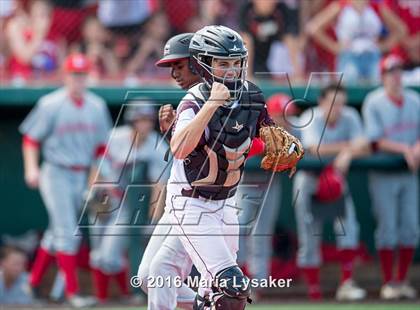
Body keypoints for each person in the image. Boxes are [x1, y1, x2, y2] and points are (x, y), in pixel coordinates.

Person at [150, 25, 300, 310]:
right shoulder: (193, 101)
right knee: (230, 288)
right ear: (204, 64)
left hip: (226, 204)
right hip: (191, 203)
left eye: (235, 63)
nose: (231, 70)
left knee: (204, 290)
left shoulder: (252, 96)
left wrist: (284, 144)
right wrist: (211, 105)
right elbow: (179, 149)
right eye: (222, 63)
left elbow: (266, 134)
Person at [19, 53, 112, 308]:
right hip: (56, 171)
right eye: (74, 74)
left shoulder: (97, 106)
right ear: (65, 75)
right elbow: (31, 139)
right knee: (67, 232)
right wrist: (31, 169)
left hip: (82, 174)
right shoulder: (50, 103)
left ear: (88, 77)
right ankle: (73, 293)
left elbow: (101, 149)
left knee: (56, 233)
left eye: (82, 75)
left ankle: (34, 282)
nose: (78, 80)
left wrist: (98, 179)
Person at [294, 83, 369, 301]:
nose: (338, 108)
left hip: (335, 179)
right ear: (322, 102)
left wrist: (350, 152)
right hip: (309, 180)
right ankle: (314, 290)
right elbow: (314, 149)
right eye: (333, 103)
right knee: (308, 234)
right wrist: (348, 149)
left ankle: (347, 283)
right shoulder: (311, 116)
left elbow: (365, 145)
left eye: (341, 104)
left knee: (349, 228)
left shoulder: (350, 116)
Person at [89, 102, 168, 304]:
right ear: (132, 121)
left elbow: (158, 185)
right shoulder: (115, 136)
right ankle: (102, 299)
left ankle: (125, 294)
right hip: (103, 197)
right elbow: (96, 166)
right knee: (96, 254)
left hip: (126, 203)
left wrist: (153, 219)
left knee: (108, 255)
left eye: (149, 120)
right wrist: (93, 192)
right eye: (141, 120)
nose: (146, 125)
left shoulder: (157, 145)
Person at [362, 54, 420, 300]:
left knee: (410, 228)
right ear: (383, 76)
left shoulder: (415, 99)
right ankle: (389, 283)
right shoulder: (373, 101)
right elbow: (374, 141)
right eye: (391, 72)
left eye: (399, 72)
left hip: (409, 173)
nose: (396, 77)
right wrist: (406, 149)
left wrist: (416, 146)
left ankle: (403, 281)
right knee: (387, 229)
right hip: (383, 172)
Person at [237, 93, 299, 301]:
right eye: (280, 116)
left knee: (262, 233)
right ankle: (237, 278)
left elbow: (301, 148)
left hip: (270, 185)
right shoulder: (253, 125)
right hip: (244, 183)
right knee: (238, 232)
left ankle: (257, 284)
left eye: (287, 116)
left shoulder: (290, 129)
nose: (284, 120)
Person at [306, 0, 406, 85]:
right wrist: (334, 47)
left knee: (374, 85)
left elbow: (401, 29)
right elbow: (314, 28)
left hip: (372, 56)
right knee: (350, 85)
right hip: (349, 56)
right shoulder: (341, 6)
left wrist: (385, 46)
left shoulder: (376, 7)